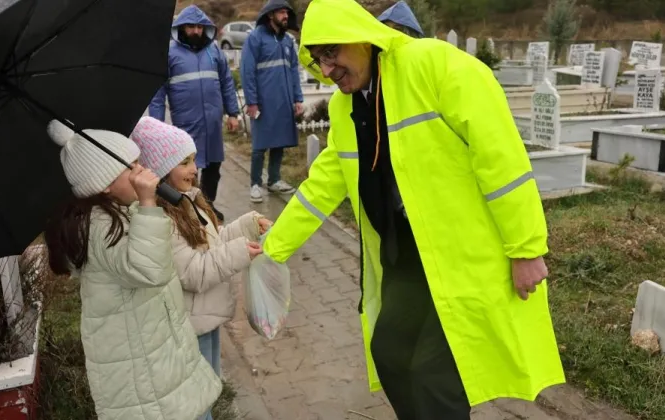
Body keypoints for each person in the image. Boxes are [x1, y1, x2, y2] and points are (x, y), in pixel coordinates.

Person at [261, 0, 566, 419]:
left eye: (331, 53)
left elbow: (502, 163)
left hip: (463, 257)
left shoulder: (437, 67)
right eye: (316, 59)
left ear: (361, 38)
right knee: (388, 351)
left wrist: (527, 248)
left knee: (431, 373)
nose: (326, 69)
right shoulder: (344, 107)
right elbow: (322, 186)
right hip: (405, 257)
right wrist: (272, 248)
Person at [43, 120, 221, 419]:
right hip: (140, 368)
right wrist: (148, 202)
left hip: (152, 349)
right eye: (133, 166)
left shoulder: (118, 212)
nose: (143, 171)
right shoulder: (100, 226)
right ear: (105, 183)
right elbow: (150, 270)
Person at [129, 116, 272, 420]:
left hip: (206, 319)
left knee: (207, 389)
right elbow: (195, 272)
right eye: (184, 162)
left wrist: (247, 227)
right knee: (195, 403)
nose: (194, 169)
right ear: (159, 170)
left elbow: (214, 244)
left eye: (193, 160)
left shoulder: (188, 201)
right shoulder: (163, 221)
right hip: (189, 327)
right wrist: (239, 252)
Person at [149, 5, 239, 222]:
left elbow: (227, 83)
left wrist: (233, 113)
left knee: (214, 167)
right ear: (181, 28)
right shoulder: (169, 53)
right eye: (191, 27)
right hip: (186, 125)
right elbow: (158, 93)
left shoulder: (214, 50)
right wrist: (155, 126)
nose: (196, 31)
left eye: (200, 27)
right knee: (190, 169)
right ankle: (192, 209)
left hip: (213, 123)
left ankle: (209, 206)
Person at [240, 0, 304, 203]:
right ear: (270, 15)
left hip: (283, 100)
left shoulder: (287, 41)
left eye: (287, 12)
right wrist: (252, 101)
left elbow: (294, 71)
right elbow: (247, 71)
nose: (285, 16)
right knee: (260, 144)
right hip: (263, 102)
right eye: (282, 12)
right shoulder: (255, 38)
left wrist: (297, 98)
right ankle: (255, 184)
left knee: (280, 141)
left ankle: (274, 180)